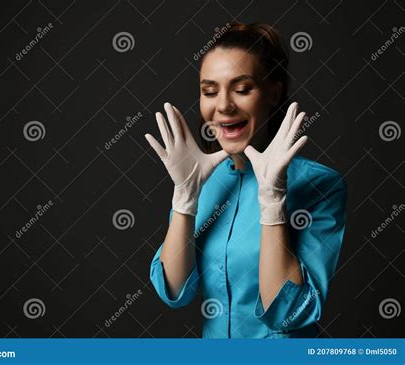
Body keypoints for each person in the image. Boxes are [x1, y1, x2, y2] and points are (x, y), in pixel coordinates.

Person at [144, 22, 347, 338]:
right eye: (210, 91)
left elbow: (290, 312)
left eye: (242, 89)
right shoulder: (202, 181)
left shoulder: (319, 185)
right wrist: (184, 197)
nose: (223, 105)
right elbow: (174, 291)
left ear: (274, 93)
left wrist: (273, 201)